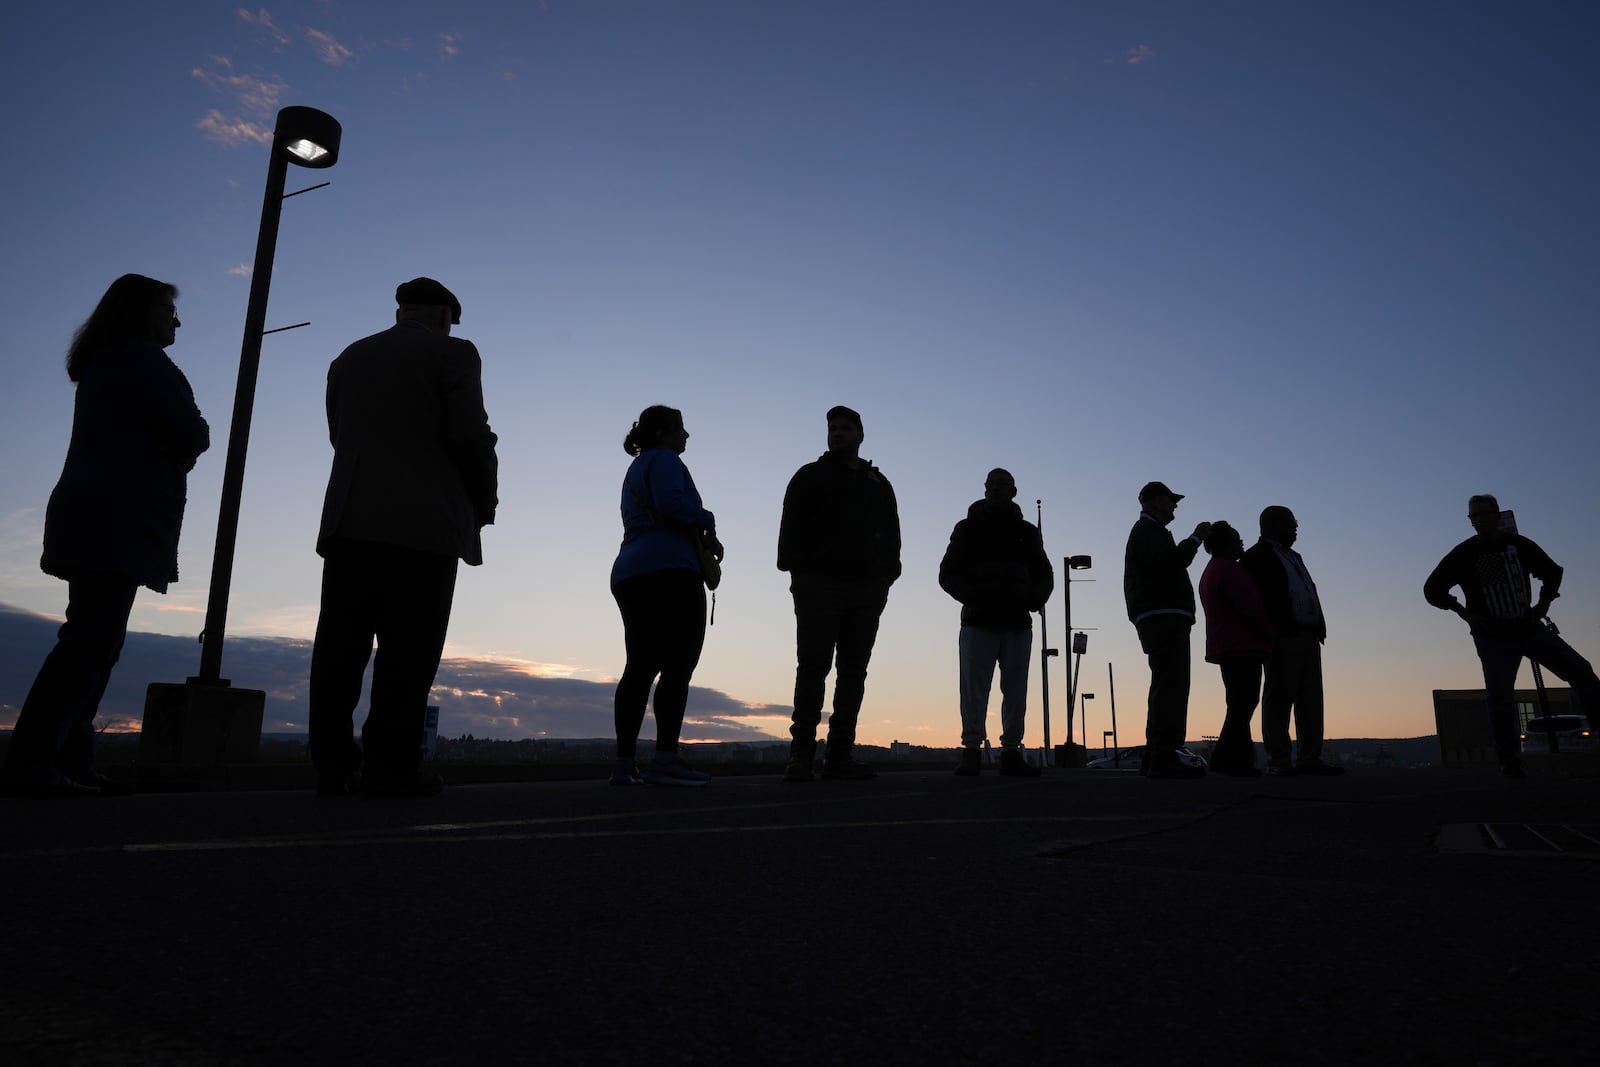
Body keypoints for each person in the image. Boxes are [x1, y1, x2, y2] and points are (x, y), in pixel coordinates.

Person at [1, 274, 209, 798]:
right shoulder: (141, 362)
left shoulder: (108, 363)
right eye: (168, 309)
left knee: (96, 642)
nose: (176, 320)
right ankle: (33, 764)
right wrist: (185, 445)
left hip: (95, 515)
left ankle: (69, 761)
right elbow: (192, 433)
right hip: (117, 519)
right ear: (142, 312)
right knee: (88, 644)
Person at [308, 278, 498, 798]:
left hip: (350, 523)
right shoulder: (454, 353)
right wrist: (485, 500)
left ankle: (331, 764)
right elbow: (469, 434)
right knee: (408, 653)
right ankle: (389, 767)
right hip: (423, 526)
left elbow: (338, 434)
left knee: (339, 649)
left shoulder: (349, 358)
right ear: (442, 316)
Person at [1423, 494, 1600, 779]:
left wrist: (1542, 605)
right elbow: (1432, 590)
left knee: (1582, 672)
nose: (1478, 520)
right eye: (1473, 516)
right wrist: (1462, 612)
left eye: (1483, 514)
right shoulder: (1463, 553)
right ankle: (1509, 761)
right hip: (1493, 637)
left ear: (1497, 515)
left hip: (1529, 628)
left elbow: (1552, 572)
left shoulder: (1519, 545)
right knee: (1500, 696)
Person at [777, 405, 901, 782]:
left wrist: (886, 575)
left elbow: (892, 534)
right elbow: (790, 526)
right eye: (833, 428)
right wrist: (797, 569)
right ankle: (801, 756)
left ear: (860, 435)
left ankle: (839, 755)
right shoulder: (809, 476)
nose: (838, 433)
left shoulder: (877, 484)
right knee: (813, 665)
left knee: (853, 671)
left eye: (846, 428)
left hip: (866, 588)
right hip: (819, 584)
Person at [609, 405, 722, 787]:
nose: (686, 436)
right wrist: (706, 519)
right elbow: (672, 505)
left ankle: (625, 765)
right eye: (681, 430)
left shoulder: (635, 469)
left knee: (639, 667)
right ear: (664, 433)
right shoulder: (666, 460)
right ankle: (666, 760)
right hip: (670, 572)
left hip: (631, 571)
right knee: (678, 666)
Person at [938, 468, 1053, 777]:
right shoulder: (967, 528)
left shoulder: (1027, 533)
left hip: (1017, 621)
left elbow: (1044, 572)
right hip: (978, 621)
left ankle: (1011, 751)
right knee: (974, 690)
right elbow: (947, 573)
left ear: (1013, 491)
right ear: (985, 489)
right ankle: (971, 751)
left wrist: (1033, 598)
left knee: (1016, 691)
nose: (996, 489)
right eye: (991, 484)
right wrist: (974, 596)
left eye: (1002, 484)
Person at [1242, 506, 1343, 776]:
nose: (1296, 528)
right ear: (1273, 525)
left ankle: (1310, 757)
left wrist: (1319, 624)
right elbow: (1258, 600)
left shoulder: (1294, 556)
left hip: (1308, 635)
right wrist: (1273, 630)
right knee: (1279, 697)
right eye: (1291, 523)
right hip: (1282, 637)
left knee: (1310, 698)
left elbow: (1307, 589)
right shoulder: (1256, 557)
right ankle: (1280, 759)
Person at [1122, 481, 1211, 779]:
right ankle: (1163, 755)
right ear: (1155, 501)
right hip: (1163, 616)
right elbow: (1173, 563)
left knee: (1166, 683)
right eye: (1171, 500)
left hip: (1160, 615)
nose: (1175, 506)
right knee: (1172, 684)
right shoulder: (1147, 532)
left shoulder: (1149, 532)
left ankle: (1157, 755)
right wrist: (1196, 538)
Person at [1197, 521, 1273, 777]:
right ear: (1226, 543)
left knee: (1239, 703)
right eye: (1237, 539)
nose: (1242, 543)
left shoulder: (1212, 571)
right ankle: (1228, 760)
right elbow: (1250, 608)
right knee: (1244, 703)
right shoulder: (1231, 571)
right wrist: (1269, 635)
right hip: (1242, 646)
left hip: (1226, 646)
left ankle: (1238, 760)